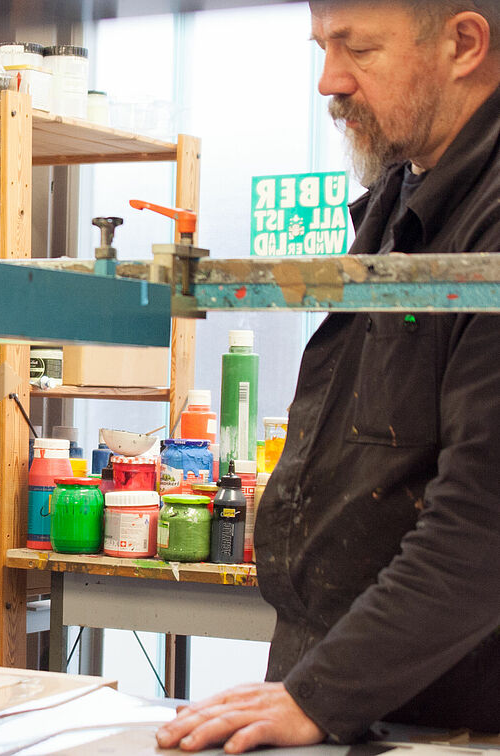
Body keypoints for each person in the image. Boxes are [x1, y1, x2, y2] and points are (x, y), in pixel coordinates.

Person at [158, 1, 500, 751]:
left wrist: (325, 692)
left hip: (448, 720)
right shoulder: (406, 191)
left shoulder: (489, 221)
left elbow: (485, 520)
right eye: (323, 47)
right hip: (354, 697)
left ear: (465, 43)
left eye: (359, 49)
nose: (328, 81)